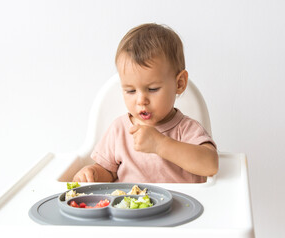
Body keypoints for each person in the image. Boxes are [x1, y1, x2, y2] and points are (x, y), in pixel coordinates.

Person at [73, 23, 218, 183]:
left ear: (179, 83)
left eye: (153, 89)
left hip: (179, 207)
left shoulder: (186, 130)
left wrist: (160, 145)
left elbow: (210, 165)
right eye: (130, 91)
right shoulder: (119, 130)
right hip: (130, 206)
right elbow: (108, 171)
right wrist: (92, 173)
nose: (141, 100)